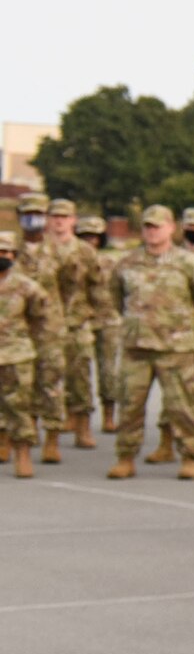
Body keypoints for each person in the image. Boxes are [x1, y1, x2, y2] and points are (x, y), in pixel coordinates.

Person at [104, 204, 194, 481]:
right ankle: (126, 457)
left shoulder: (189, 263)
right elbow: (116, 297)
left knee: (182, 406)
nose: (152, 232)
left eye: (158, 226)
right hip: (137, 347)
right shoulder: (127, 263)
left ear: (171, 228)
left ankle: (190, 456)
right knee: (130, 405)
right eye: (147, 226)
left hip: (176, 348)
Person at [42, 198, 108, 451]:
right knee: (47, 380)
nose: (59, 221)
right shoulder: (39, 250)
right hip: (47, 326)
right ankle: (51, 435)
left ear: (73, 220)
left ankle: (82, 427)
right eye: (55, 216)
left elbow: (97, 287)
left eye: (64, 216)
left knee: (80, 377)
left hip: (78, 323)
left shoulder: (85, 251)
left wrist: (102, 318)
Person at [0, 230, 63, 478]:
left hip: (17, 353)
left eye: (6, 252)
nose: (2, 257)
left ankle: (23, 453)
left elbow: (41, 316)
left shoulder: (26, 286)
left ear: (14, 256)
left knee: (18, 404)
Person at [11, 192, 66, 461]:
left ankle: (52, 437)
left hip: (49, 327)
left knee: (50, 382)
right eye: (28, 214)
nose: (33, 219)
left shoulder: (59, 251)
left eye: (38, 214)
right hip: (15, 328)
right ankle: (16, 434)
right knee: (17, 385)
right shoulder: (9, 250)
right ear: (19, 217)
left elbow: (69, 287)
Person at [77, 214, 122, 437]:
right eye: (85, 236)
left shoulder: (112, 261)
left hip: (108, 319)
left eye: (94, 236)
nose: (90, 241)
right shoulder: (72, 260)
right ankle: (77, 415)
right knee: (79, 369)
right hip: (82, 319)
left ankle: (109, 414)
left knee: (108, 370)